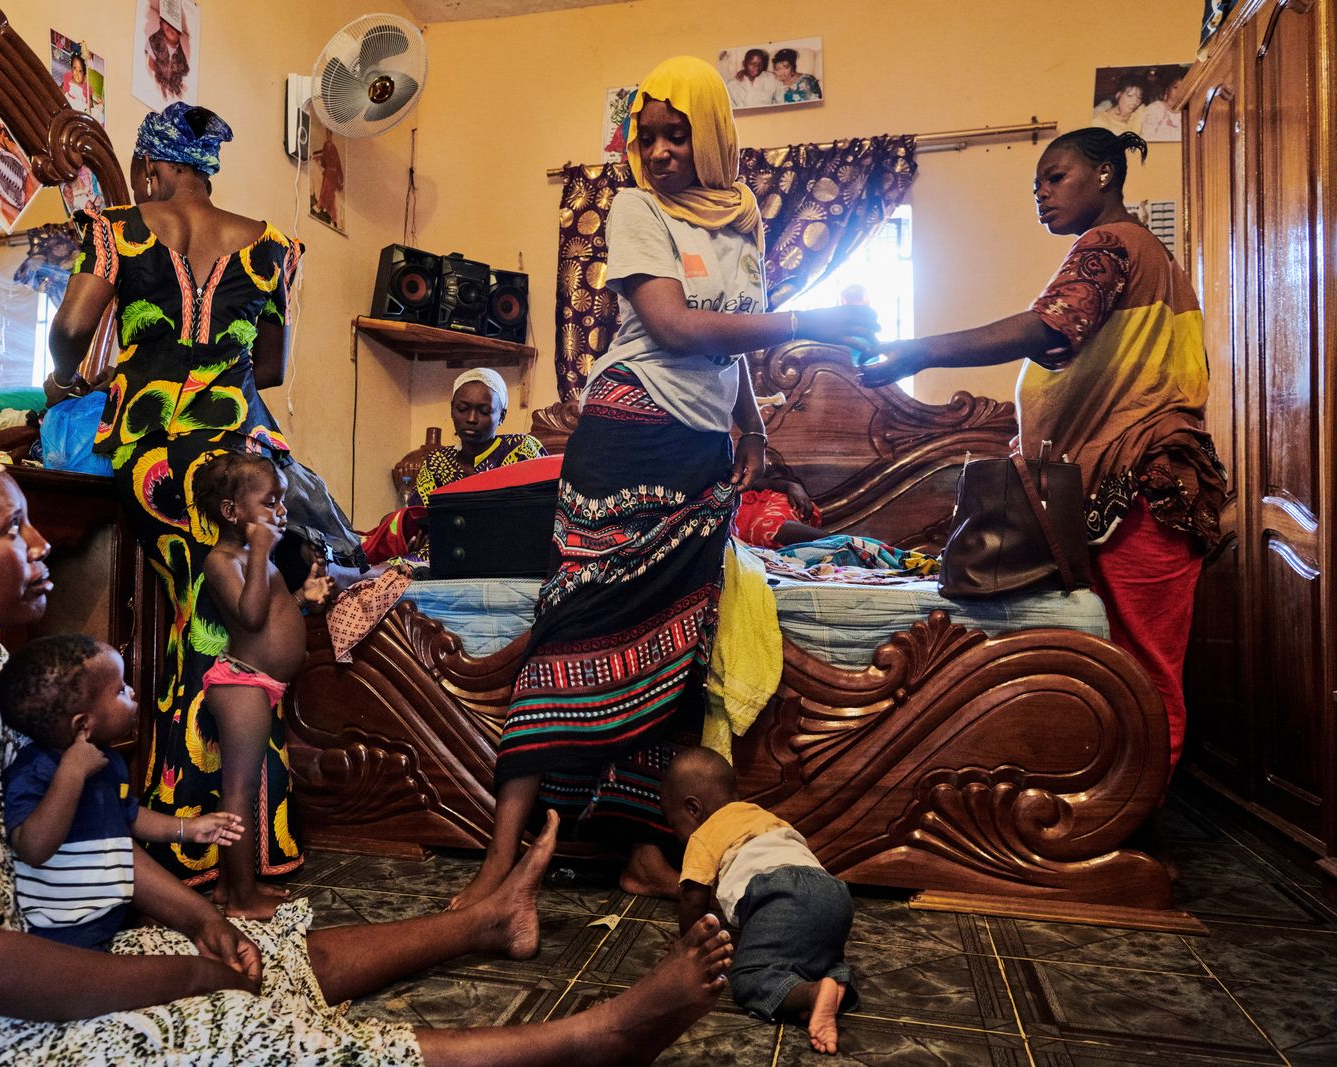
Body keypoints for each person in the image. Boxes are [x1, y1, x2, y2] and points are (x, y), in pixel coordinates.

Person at [0, 420, 744, 1064]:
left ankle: (473, 926)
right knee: (212, 1022)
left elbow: (82, 837)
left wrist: (190, 924)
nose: (40, 545)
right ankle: (581, 1041)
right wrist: (183, 974)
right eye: (9, 529)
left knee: (237, 944)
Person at [450, 56, 878, 910]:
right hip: (625, 442)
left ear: (712, 133)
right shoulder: (636, 207)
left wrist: (749, 426)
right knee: (565, 637)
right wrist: (811, 319)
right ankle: (497, 868)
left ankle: (644, 852)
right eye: (646, 137)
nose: (659, 151)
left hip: (699, 463)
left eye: (675, 134)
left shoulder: (745, 218)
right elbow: (676, 326)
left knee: (675, 656)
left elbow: (731, 343)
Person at [860, 128, 1225, 775]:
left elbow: (1050, 325)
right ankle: (1125, 822)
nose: (1041, 193)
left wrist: (922, 349)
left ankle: (1141, 831)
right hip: (1131, 486)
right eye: (1036, 184)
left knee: (1143, 673)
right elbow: (1064, 346)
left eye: (1055, 177)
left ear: (1106, 173)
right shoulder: (1142, 257)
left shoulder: (1111, 244)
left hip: (1149, 485)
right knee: (1127, 667)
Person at [49, 102, 311, 889]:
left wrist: (75, 372)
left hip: (158, 456)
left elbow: (70, 326)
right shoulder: (273, 247)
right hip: (236, 463)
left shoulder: (117, 228)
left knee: (203, 627)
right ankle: (252, 838)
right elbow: (270, 367)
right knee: (230, 625)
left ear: (151, 171)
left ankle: (195, 840)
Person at [0, 633, 246, 947]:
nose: (131, 691)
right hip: (58, 939)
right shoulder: (35, 770)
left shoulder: (108, 762)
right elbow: (32, 848)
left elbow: (129, 816)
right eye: (119, 690)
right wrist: (71, 774)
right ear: (82, 725)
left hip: (107, 922)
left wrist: (187, 829)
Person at [195, 453, 333, 916]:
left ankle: (231, 888)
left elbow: (271, 612)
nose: (281, 512)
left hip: (258, 685)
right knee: (238, 791)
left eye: (282, 502)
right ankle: (242, 898)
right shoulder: (221, 560)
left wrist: (303, 598)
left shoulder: (256, 560)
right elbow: (249, 616)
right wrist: (259, 552)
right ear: (232, 512)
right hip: (241, 686)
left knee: (249, 790)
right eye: (270, 502)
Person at [663, 747, 857, 1053]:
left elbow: (692, 899)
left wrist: (689, 948)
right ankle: (835, 982)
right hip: (833, 893)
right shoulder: (762, 816)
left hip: (780, 893)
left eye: (674, 824)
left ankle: (812, 993)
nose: (677, 835)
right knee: (818, 955)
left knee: (749, 976)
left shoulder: (704, 834)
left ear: (693, 809)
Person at [409, 368, 546, 505]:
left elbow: (549, 507)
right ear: (452, 409)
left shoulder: (522, 450)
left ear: (502, 416)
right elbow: (416, 516)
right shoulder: (436, 462)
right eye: (462, 409)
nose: (471, 419)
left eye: (484, 411)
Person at [1141, 75, 1185, 141]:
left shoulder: (1188, 111)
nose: (1179, 91)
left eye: (1183, 88)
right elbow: (1146, 136)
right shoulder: (1154, 109)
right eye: (1175, 87)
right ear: (1167, 88)